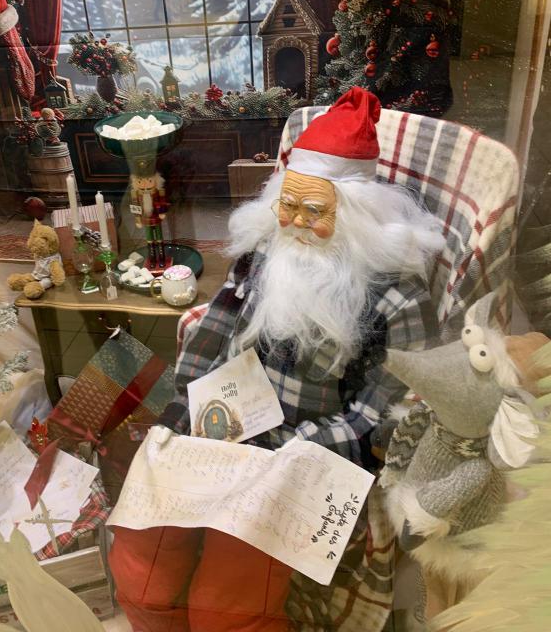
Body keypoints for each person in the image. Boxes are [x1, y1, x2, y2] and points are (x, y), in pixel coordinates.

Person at [109, 87, 445, 632]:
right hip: (222, 432)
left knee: (225, 606)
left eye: (314, 210)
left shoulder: (398, 298)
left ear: (358, 216)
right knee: (140, 569)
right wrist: (183, 410)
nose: (294, 222)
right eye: (287, 204)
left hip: (305, 460)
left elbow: (383, 418)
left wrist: (289, 451)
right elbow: (213, 334)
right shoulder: (266, 253)